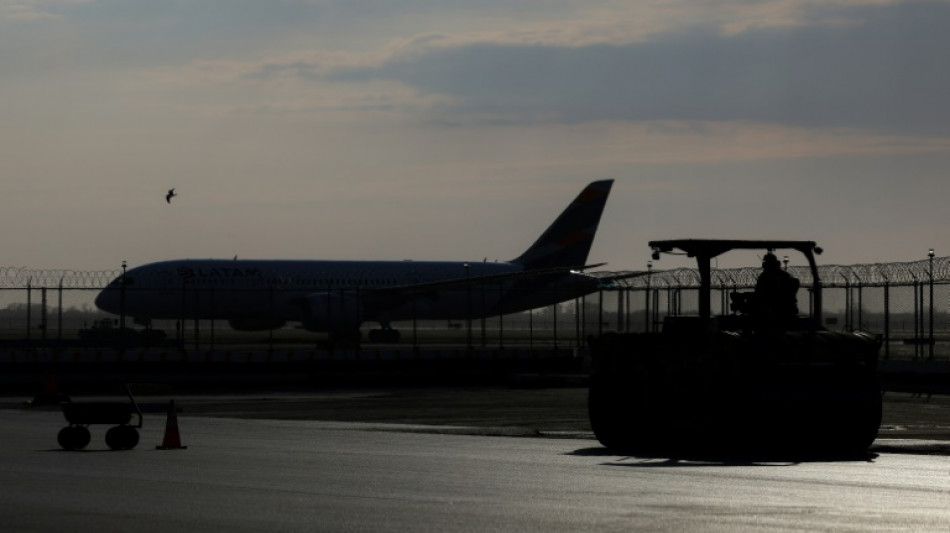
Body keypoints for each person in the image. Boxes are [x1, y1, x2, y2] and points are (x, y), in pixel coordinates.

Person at [753, 252, 799, 331]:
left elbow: (761, 293)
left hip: (774, 311)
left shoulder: (767, 276)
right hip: (786, 309)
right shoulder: (784, 275)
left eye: (766, 262)